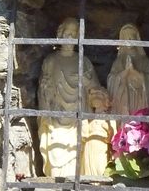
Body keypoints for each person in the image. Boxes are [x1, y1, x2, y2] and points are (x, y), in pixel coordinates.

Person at [37, 18, 100, 177]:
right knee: (56, 151)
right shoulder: (50, 60)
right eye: (67, 33)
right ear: (60, 34)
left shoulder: (84, 61)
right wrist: (47, 89)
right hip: (56, 116)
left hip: (78, 116)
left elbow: (95, 90)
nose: (70, 38)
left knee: (75, 151)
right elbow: (44, 88)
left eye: (74, 34)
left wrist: (86, 82)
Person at [107, 23, 149, 115]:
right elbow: (111, 80)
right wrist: (125, 73)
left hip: (139, 98)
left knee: (138, 117)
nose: (129, 40)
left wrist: (135, 72)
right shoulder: (119, 61)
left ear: (137, 39)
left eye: (131, 37)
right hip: (123, 100)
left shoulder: (144, 60)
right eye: (126, 37)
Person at [82, 87, 115, 176]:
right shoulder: (90, 119)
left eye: (98, 95)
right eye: (93, 95)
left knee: (100, 166)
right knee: (89, 167)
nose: (95, 97)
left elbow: (113, 137)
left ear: (106, 100)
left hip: (101, 145)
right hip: (89, 146)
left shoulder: (109, 119)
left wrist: (107, 130)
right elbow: (84, 136)